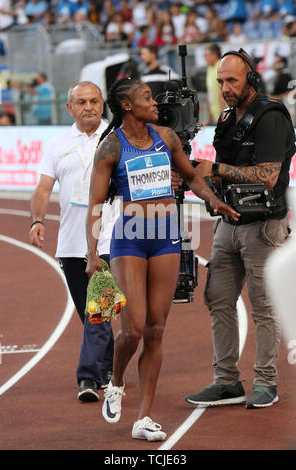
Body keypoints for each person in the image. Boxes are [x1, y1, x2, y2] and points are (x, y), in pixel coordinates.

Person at [85, 77, 239, 441]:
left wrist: (211, 200)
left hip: (167, 237)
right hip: (131, 240)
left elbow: (190, 177)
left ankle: (144, 417)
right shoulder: (111, 147)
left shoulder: (166, 138)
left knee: (156, 330)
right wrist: (92, 253)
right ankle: (117, 381)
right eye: (146, 98)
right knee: (133, 329)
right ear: (127, 106)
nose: (155, 103)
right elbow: (94, 204)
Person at [185, 48, 295, 409]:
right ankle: (227, 381)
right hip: (229, 222)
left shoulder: (272, 116)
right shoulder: (228, 118)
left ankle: (266, 383)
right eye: (220, 81)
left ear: (251, 79)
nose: (225, 87)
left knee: (263, 306)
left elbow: (268, 176)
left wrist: (213, 170)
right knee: (218, 299)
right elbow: (221, 170)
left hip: (264, 225)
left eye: (231, 80)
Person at [29, 81, 118, 402]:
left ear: (103, 103)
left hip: (108, 240)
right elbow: (42, 189)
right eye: (81, 102)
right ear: (70, 107)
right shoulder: (57, 144)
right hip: (69, 244)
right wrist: (38, 220)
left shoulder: (116, 136)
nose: (89, 107)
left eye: (94, 101)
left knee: (98, 311)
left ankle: (88, 377)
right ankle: (108, 367)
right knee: (90, 313)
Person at [203, 43, 227, 126]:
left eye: (207, 55)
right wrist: (209, 119)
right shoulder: (210, 68)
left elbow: (223, 92)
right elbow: (209, 94)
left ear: (215, 55)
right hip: (216, 117)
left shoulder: (221, 66)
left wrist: (222, 116)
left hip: (223, 116)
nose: (205, 58)